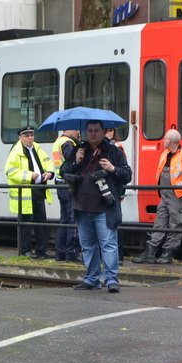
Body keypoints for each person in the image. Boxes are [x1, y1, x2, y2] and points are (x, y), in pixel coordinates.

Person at [66, 120, 131, 292]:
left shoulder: (113, 151)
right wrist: (75, 161)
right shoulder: (79, 150)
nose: (93, 134)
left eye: (96, 130)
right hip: (82, 207)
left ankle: (111, 280)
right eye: (90, 130)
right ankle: (92, 279)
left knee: (108, 244)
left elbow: (127, 174)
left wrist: (112, 168)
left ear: (103, 132)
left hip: (104, 208)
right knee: (87, 246)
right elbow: (63, 171)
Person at [133, 129, 182, 265]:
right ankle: (150, 252)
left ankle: (167, 254)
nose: (163, 141)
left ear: (171, 141)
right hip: (165, 194)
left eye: (165, 138)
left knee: (176, 223)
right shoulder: (166, 154)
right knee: (160, 222)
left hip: (178, 194)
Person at [4, 125, 54, 258]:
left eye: (32, 135)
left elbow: (47, 162)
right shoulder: (16, 151)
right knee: (25, 223)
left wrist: (49, 173)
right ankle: (25, 251)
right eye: (27, 135)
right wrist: (29, 176)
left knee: (41, 222)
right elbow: (10, 172)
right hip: (25, 191)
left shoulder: (37, 147)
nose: (30, 138)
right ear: (20, 137)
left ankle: (41, 251)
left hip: (39, 190)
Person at [51, 129, 81, 262]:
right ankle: (71, 254)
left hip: (60, 184)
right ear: (68, 130)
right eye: (76, 130)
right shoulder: (68, 143)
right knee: (72, 219)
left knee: (64, 220)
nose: (78, 132)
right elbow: (72, 163)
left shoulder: (57, 142)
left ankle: (60, 253)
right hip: (68, 185)